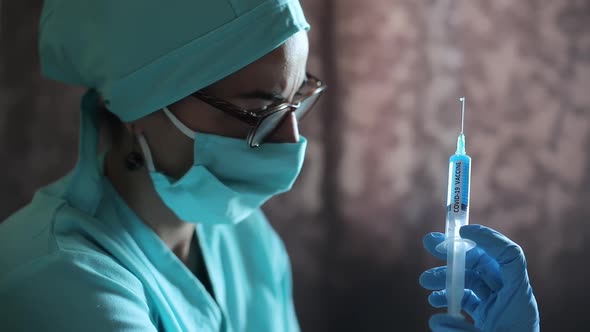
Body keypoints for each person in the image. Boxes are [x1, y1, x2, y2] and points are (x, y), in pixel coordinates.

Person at [0, 1, 539, 332]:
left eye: (296, 99)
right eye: (259, 111)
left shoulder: (243, 240)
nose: (291, 138)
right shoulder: (57, 283)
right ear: (141, 106)